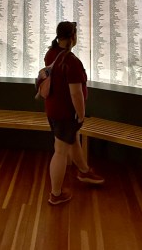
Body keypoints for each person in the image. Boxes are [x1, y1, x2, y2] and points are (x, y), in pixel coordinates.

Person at [44, 21, 104, 205]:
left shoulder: (51, 54)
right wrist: (81, 113)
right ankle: (55, 194)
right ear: (72, 37)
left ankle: (84, 171)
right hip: (66, 114)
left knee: (73, 140)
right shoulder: (72, 62)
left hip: (52, 109)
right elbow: (76, 92)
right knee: (60, 151)